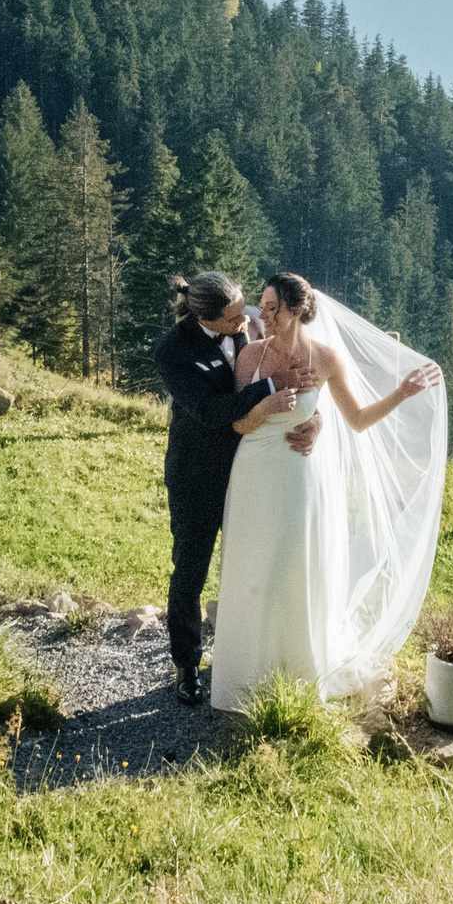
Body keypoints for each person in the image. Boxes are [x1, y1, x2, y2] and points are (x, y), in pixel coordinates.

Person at [211, 272, 446, 711]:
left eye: (270, 308)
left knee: (294, 566)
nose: (260, 315)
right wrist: (267, 404)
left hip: (300, 476)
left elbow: (356, 419)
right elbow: (238, 425)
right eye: (261, 306)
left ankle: (296, 676)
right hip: (253, 474)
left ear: (297, 310)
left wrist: (402, 392)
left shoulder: (325, 360)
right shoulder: (250, 358)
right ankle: (242, 676)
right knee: (251, 567)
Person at [152, 272, 321, 706]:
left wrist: (313, 420)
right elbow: (208, 411)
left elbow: (298, 375)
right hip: (198, 474)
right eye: (232, 319)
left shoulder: (250, 323)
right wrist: (269, 390)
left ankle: (253, 655)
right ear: (203, 316)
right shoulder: (173, 351)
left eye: (244, 310)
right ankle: (187, 663)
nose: (245, 322)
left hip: (255, 471)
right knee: (191, 569)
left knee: (258, 561)